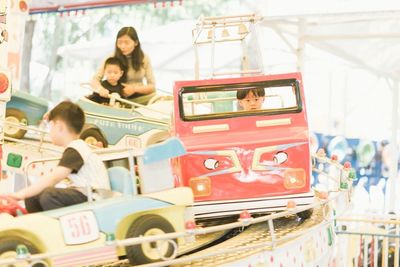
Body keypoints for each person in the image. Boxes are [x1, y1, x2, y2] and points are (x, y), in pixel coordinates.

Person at [6, 101, 110, 212]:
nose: (50, 132)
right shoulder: (76, 148)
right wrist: (27, 194)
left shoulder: (77, 149)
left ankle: (59, 228)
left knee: (49, 195)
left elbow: (54, 178)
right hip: (85, 193)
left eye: (51, 127)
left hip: (95, 198)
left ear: (59, 126)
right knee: (33, 196)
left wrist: (20, 194)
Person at [91, 26, 155, 105]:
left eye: (126, 43)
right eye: (119, 42)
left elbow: (152, 86)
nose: (123, 46)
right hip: (117, 99)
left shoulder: (144, 58)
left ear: (136, 42)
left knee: (160, 100)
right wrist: (100, 89)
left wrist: (134, 89)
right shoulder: (111, 58)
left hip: (140, 98)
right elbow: (94, 80)